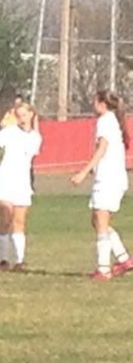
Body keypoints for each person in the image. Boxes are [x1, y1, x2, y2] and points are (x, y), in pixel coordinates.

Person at [70, 89, 133, 280]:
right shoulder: (112, 120)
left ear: (101, 103)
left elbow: (102, 149)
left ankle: (103, 268)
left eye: (95, 101)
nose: (92, 104)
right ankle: (124, 259)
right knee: (97, 221)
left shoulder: (105, 120)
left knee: (102, 222)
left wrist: (83, 171)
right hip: (110, 178)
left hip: (109, 179)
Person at [0, 101, 42, 271]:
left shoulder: (36, 138)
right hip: (5, 181)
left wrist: (31, 184)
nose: (21, 119)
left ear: (31, 115)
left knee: (20, 222)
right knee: (6, 220)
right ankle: (3, 260)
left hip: (22, 184)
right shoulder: (8, 133)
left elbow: (29, 164)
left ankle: (20, 261)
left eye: (24, 115)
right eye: (18, 115)